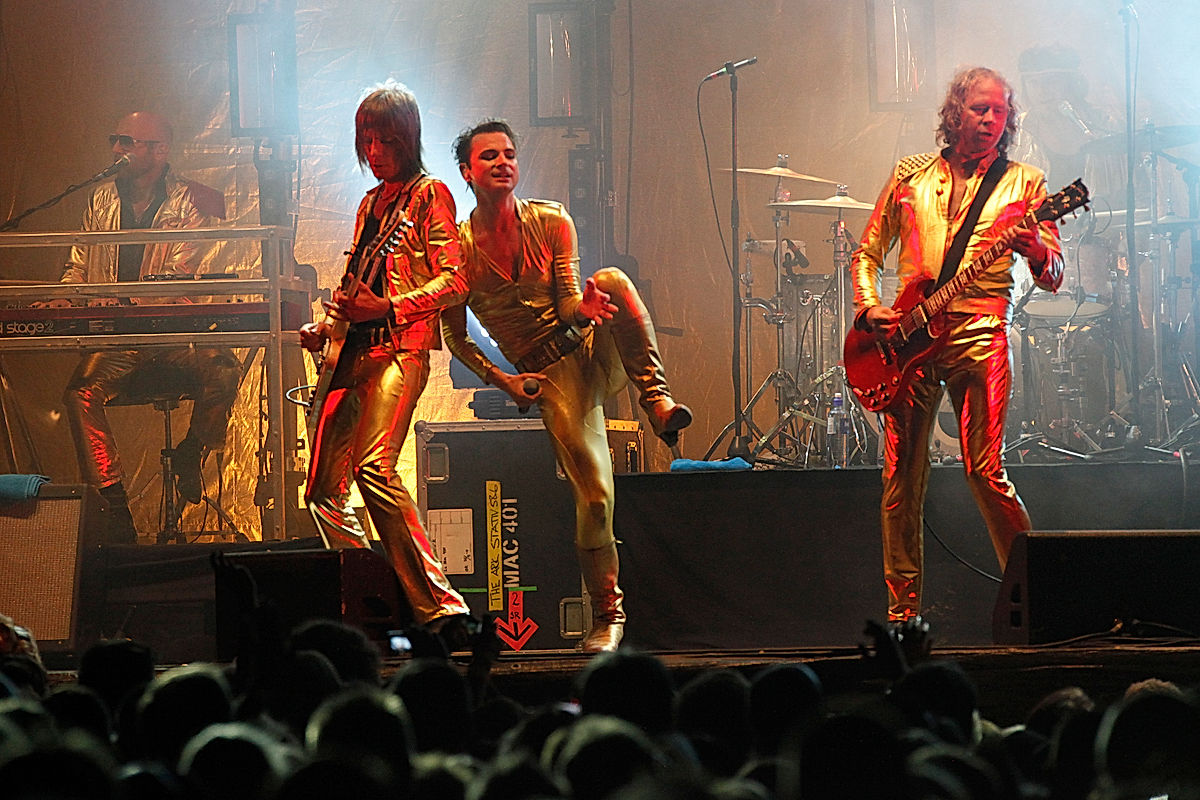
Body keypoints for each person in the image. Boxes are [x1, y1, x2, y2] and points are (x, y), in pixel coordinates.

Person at [443, 119, 692, 652]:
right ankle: (608, 614)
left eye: (509, 153)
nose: (503, 162)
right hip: (550, 377)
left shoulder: (552, 219)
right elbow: (453, 334)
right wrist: (503, 380)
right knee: (597, 499)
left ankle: (657, 401)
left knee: (613, 281)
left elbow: (565, 301)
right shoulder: (457, 249)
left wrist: (580, 309)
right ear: (467, 171)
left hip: (589, 349)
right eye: (489, 156)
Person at [850, 67, 1064, 623]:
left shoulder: (1026, 185)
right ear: (955, 113)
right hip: (909, 338)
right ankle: (902, 617)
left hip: (982, 334)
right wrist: (871, 307)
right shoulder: (910, 176)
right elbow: (867, 255)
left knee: (984, 470)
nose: (992, 119)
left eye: (1000, 111)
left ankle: (1036, 599)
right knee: (900, 477)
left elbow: (1053, 273)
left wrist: (1037, 249)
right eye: (980, 109)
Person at [298, 82, 473, 642]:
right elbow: (358, 283)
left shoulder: (431, 194)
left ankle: (444, 610)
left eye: (385, 141)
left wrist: (390, 305)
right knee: (322, 490)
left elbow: (456, 279)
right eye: (366, 141)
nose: (374, 152)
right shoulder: (370, 205)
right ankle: (376, 592)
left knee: (375, 468)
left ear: (408, 139)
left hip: (402, 348)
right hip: (351, 351)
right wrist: (326, 326)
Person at [46, 111, 239, 544]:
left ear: (160, 150)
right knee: (80, 394)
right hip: (118, 338)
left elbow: (185, 270)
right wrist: (66, 295)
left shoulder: (193, 199)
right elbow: (79, 262)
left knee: (223, 366)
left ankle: (192, 449)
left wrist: (129, 300)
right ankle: (114, 508)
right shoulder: (100, 199)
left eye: (127, 142)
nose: (117, 149)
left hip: (170, 337)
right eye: (116, 140)